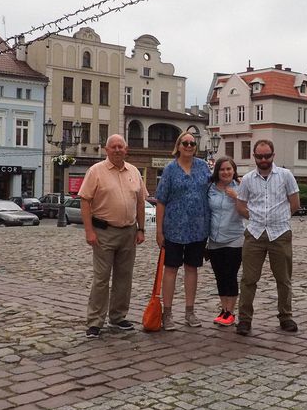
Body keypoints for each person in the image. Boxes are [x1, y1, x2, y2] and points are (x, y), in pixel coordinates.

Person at [79, 134, 148, 339]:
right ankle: (95, 321)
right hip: (104, 232)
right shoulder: (96, 171)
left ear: (126, 150)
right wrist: (89, 231)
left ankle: (118, 317)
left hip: (128, 232)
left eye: (121, 146)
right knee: (101, 278)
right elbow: (84, 201)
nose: (117, 150)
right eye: (113, 147)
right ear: (106, 150)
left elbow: (141, 202)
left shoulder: (134, 171)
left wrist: (141, 229)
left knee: (124, 277)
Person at [234, 139, 301, 336]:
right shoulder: (247, 179)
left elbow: (295, 203)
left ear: (273, 155)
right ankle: (244, 320)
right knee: (248, 279)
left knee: (283, 278)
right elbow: (240, 205)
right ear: (254, 157)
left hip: (280, 233)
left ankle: (286, 316)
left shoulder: (285, 176)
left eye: (267, 156)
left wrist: (280, 218)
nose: (263, 159)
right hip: (254, 234)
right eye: (259, 156)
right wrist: (254, 217)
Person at [155, 131, 211, 331]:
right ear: (178, 146)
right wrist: (159, 231)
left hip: (198, 228)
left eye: (192, 143)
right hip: (174, 229)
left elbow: (214, 190)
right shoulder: (170, 170)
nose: (189, 146)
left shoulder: (203, 167)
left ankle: (190, 311)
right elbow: (161, 201)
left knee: (191, 269)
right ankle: (167, 313)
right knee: (170, 270)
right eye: (185, 143)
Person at [206, 156, 245, 327]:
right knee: (220, 276)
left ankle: (231, 311)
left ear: (234, 171)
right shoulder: (211, 189)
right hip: (214, 239)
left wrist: (237, 197)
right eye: (222, 169)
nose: (226, 172)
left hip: (234, 238)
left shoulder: (241, 188)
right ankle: (223, 309)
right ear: (217, 172)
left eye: (229, 169)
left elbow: (248, 210)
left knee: (230, 275)